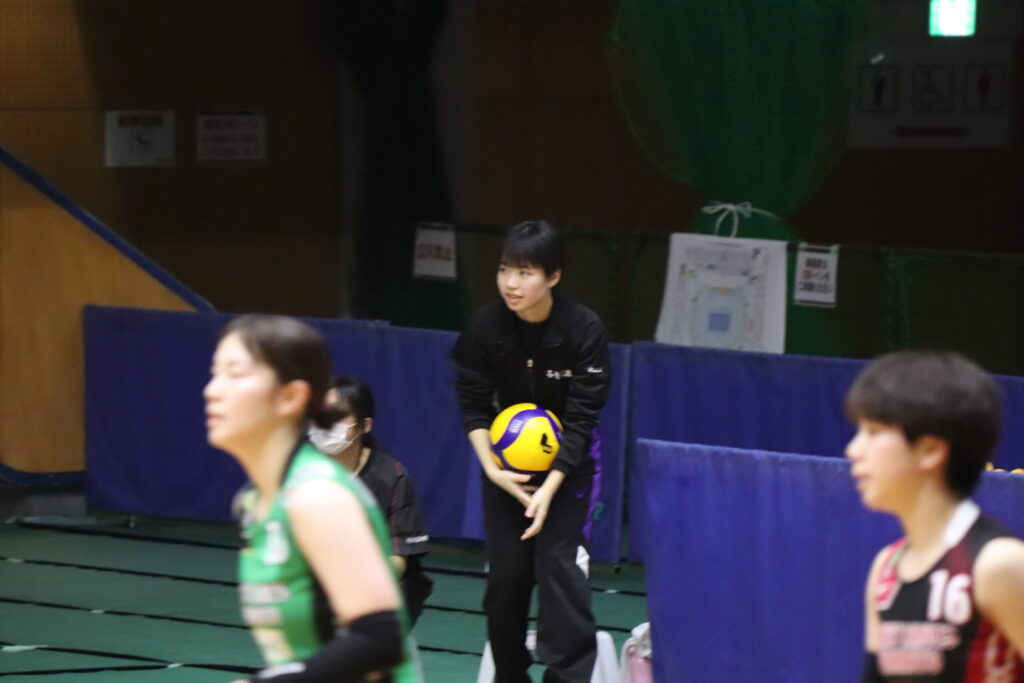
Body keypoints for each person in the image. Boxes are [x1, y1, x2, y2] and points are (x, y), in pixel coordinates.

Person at [204, 314, 420, 682]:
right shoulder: (256, 499)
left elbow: (378, 640)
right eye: (215, 373)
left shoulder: (317, 496)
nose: (213, 390)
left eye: (235, 374)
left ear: (290, 397)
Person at [450, 220, 610, 683]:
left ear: (553, 277)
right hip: (506, 471)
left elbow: (582, 420)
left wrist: (549, 489)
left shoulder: (584, 329)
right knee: (506, 579)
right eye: (505, 270)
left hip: (570, 471)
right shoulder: (484, 327)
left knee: (560, 572)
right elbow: (473, 406)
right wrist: (492, 470)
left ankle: (567, 677)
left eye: (525, 273)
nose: (511, 284)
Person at [844, 350, 1024, 682]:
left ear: (930, 450)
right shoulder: (885, 570)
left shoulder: (999, 564)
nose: (853, 450)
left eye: (873, 431)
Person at [309, 375, 435, 625]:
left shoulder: (391, 476)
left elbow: (398, 558)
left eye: (338, 415)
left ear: (364, 425)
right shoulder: (301, 475)